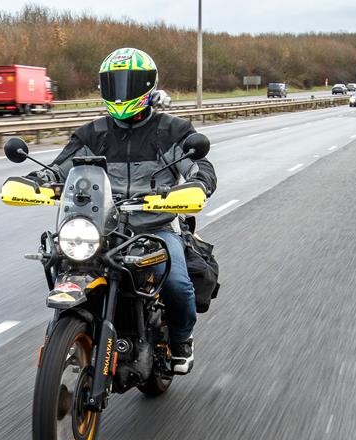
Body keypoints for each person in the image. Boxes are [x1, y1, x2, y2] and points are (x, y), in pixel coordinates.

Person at [28, 47, 217, 374]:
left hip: (154, 229)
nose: (121, 92)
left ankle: (181, 341)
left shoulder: (171, 131)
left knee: (177, 283)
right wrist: (38, 179)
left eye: (129, 84)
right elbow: (60, 167)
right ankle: (67, 344)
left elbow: (198, 166)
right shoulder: (93, 133)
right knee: (62, 262)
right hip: (101, 228)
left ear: (147, 85)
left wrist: (197, 183)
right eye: (114, 84)